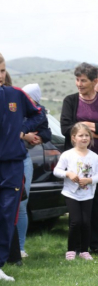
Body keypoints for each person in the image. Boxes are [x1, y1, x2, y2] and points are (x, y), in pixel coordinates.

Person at [60, 62, 98, 256]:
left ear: (95, 82)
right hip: (76, 161)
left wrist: (84, 125)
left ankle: (95, 242)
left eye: (83, 80)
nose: (79, 84)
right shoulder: (70, 101)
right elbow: (66, 129)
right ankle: (76, 246)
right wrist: (96, 130)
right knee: (77, 201)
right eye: (77, 80)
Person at [0, 53, 44, 282]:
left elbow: (39, 114)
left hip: (13, 164)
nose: (0, 76)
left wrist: (21, 129)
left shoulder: (15, 94)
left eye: (2, 71)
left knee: (7, 215)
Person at [53, 123, 98, 261]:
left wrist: (90, 180)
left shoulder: (94, 157)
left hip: (87, 194)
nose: (84, 138)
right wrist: (68, 174)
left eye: (87, 135)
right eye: (80, 135)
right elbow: (57, 171)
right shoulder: (67, 155)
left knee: (86, 222)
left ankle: (84, 250)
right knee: (75, 221)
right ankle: (71, 250)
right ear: (73, 138)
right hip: (71, 193)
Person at [18, 83, 51, 258]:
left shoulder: (38, 113)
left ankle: (20, 248)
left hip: (24, 158)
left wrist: (37, 138)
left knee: (22, 204)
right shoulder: (14, 109)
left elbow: (47, 133)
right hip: (9, 158)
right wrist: (26, 135)